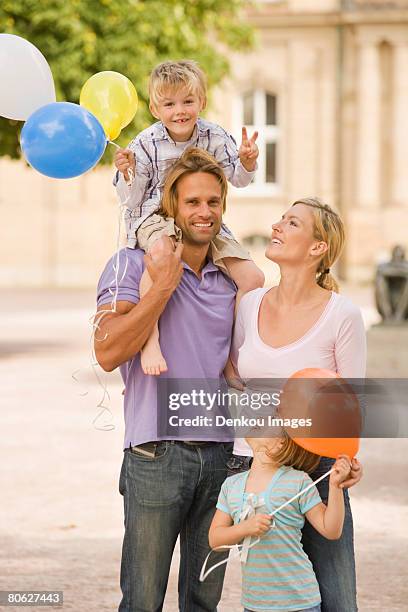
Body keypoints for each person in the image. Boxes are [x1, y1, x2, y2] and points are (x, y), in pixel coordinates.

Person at [95, 148, 239, 612]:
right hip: (156, 454)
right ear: (171, 207)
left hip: (222, 460)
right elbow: (107, 351)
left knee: (204, 601)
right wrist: (161, 286)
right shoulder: (129, 265)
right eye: (193, 201)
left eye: (213, 202)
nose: (205, 212)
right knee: (142, 601)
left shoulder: (232, 279)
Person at [225, 197, 366, 612]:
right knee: (270, 596)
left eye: (291, 222)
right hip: (254, 465)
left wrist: (348, 463)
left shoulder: (342, 314)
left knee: (336, 598)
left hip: (318, 469)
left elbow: (351, 402)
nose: (277, 226)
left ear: (317, 247)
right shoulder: (249, 305)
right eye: (281, 219)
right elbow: (234, 379)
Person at [113, 59, 264, 375]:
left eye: (187, 101)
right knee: (159, 257)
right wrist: (127, 172)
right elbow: (133, 199)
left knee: (253, 278)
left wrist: (247, 162)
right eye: (169, 104)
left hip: (202, 217)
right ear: (156, 109)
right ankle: (150, 340)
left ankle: (231, 357)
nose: (179, 110)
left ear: (202, 102)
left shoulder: (215, 136)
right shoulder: (145, 143)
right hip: (156, 216)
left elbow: (237, 178)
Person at [209, 433, 353, 612]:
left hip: (300, 603)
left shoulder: (298, 482)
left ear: (281, 442)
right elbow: (215, 540)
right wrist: (244, 528)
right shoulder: (231, 485)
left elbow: (331, 530)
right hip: (254, 605)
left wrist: (335, 486)